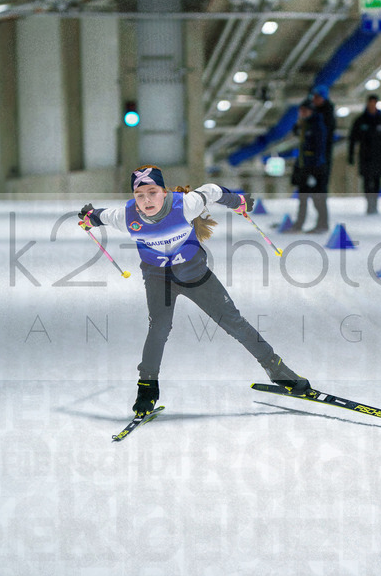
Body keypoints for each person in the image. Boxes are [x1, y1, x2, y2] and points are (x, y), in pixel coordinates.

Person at [78, 165, 311, 419]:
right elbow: (101, 216)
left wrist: (238, 201)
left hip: (196, 276)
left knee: (234, 322)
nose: (146, 200)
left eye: (152, 192)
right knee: (159, 328)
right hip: (159, 280)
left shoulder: (185, 205)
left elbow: (211, 190)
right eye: (140, 195)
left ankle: (278, 371)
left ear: (164, 192)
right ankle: (146, 389)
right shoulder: (126, 216)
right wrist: (89, 217)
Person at [286, 99, 329, 233]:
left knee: (318, 198)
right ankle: (299, 224)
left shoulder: (317, 126)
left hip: (316, 168)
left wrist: (313, 170)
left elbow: (319, 149)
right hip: (305, 167)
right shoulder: (304, 126)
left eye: (305, 111)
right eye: (301, 111)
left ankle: (322, 224)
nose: (302, 113)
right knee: (303, 198)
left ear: (311, 111)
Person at [347, 94, 381, 215]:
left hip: (379, 157)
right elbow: (352, 139)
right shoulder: (360, 121)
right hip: (365, 157)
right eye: (370, 103)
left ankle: (375, 202)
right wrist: (351, 155)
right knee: (367, 181)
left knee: (377, 181)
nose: (372, 105)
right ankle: (369, 203)